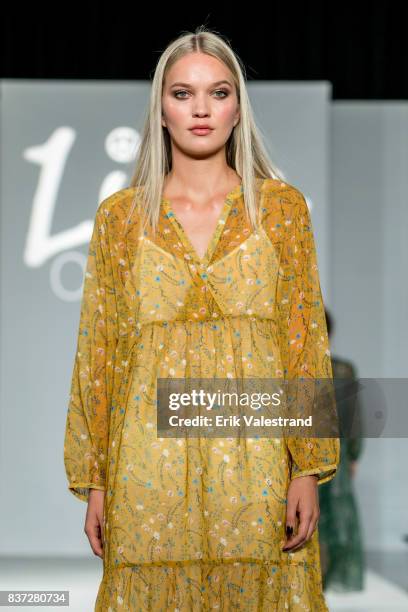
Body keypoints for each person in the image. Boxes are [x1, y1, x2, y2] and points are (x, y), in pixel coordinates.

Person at [64, 25, 340, 611]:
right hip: (146, 469)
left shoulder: (281, 210)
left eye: (218, 93)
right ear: (160, 109)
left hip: (257, 464)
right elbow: (98, 355)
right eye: (182, 93)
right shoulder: (119, 219)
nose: (200, 110)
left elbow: (304, 343)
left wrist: (307, 468)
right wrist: (96, 480)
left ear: (238, 108)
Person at [318, 308, 365, 592]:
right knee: (333, 523)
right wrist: (355, 456)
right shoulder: (343, 371)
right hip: (336, 454)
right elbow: (353, 420)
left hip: (310, 456)